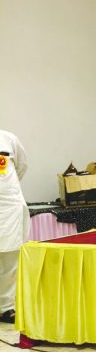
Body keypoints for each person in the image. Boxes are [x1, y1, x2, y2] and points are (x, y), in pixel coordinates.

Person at [0, 129, 28, 324]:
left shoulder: (7, 139)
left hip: (8, 207)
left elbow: (21, 166)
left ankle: (6, 307)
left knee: (10, 260)